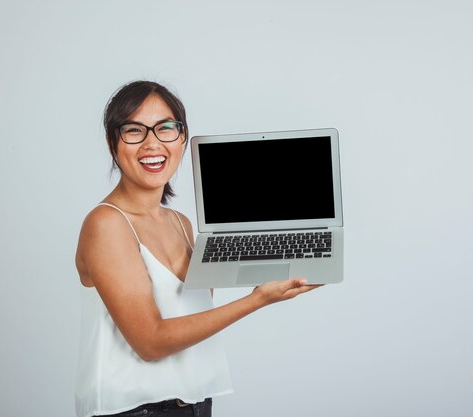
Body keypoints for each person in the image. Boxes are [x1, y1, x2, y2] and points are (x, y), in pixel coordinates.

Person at [74, 80, 321, 417]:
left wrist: (272, 257)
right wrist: (257, 299)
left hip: (195, 404)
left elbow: (189, 322)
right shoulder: (106, 224)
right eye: (134, 130)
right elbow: (151, 342)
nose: (152, 143)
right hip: (135, 411)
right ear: (111, 142)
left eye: (166, 128)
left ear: (182, 138)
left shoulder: (182, 224)